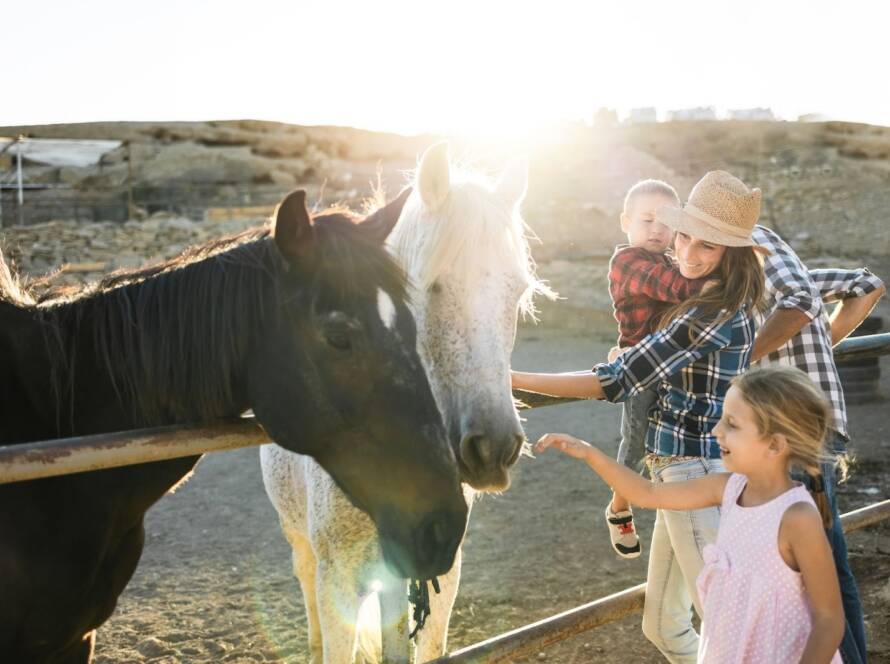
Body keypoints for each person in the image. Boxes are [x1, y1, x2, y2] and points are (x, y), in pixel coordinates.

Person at [512, 170, 768, 662]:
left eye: (707, 248)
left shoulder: (710, 313)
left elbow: (615, 380)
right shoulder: (725, 298)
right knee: (664, 626)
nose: (689, 254)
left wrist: (515, 379)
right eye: (684, 237)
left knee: (729, 632)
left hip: (693, 470)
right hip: (683, 471)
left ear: (729, 254)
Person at [535, 366, 844, 664]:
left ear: (775, 444)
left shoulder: (797, 518)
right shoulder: (729, 489)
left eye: (732, 425)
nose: (716, 431)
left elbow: (829, 619)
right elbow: (648, 493)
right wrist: (589, 452)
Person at [749, 224, 885, 663]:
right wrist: (823, 340)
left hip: (797, 428)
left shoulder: (754, 240)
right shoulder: (792, 274)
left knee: (812, 565)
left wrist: (747, 354)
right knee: (826, 557)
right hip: (801, 426)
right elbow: (868, 285)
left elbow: (802, 301)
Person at [602, 179, 708, 559]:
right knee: (635, 441)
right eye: (647, 220)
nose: (657, 230)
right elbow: (680, 289)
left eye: (667, 223)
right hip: (641, 367)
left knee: (674, 443)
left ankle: (680, 502)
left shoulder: (671, 258)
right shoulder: (628, 262)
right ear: (625, 221)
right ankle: (619, 506)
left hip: (676, 366)